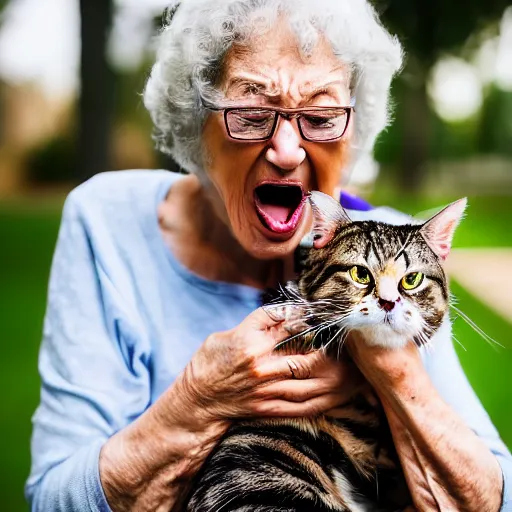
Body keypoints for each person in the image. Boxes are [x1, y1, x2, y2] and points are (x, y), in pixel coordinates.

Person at [26, 0, 511, 510]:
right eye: (252, 113)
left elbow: (494, 493)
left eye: (321, 116)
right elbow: (52, 499)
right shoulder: (108, 222)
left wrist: (393, 370)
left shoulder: (396, 245)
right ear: (197, 122)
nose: (286, 150)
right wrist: (198, 399)